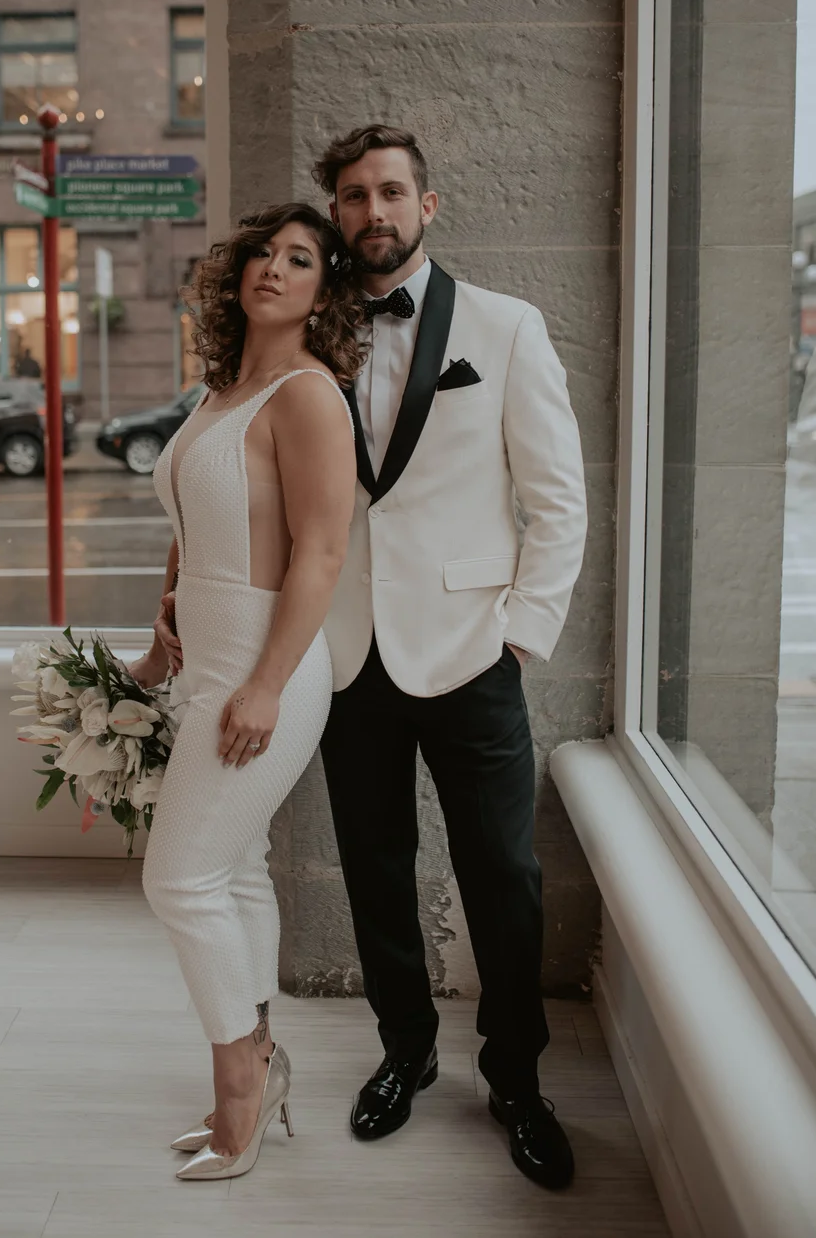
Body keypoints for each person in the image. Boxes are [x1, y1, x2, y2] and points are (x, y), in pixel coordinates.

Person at [314, 125, 587, 1190]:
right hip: (347, 654)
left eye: (389, 191)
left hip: (475, 649)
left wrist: (522, 636)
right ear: (335, 212)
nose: (370, 211)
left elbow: (558, 502)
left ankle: (515, 1078)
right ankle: (406, 1047)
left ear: (429, 204)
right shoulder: (312, 333)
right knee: (376, 866)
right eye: (350, 195)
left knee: (503, 878)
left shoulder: (506, 327)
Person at [128, 202, 362, 1182]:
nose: (274, 267)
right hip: (209, 649)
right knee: (233, 872)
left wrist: (265, 681)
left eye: (299, 258)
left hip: (271, 660)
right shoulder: (221, 391)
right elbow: (191, 522)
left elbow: (323, 549)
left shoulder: (308, 394)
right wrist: (164, 618)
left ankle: (242, 1083)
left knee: (175, 879)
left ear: (322, 287)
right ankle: (259, 1057)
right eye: (263, 251)